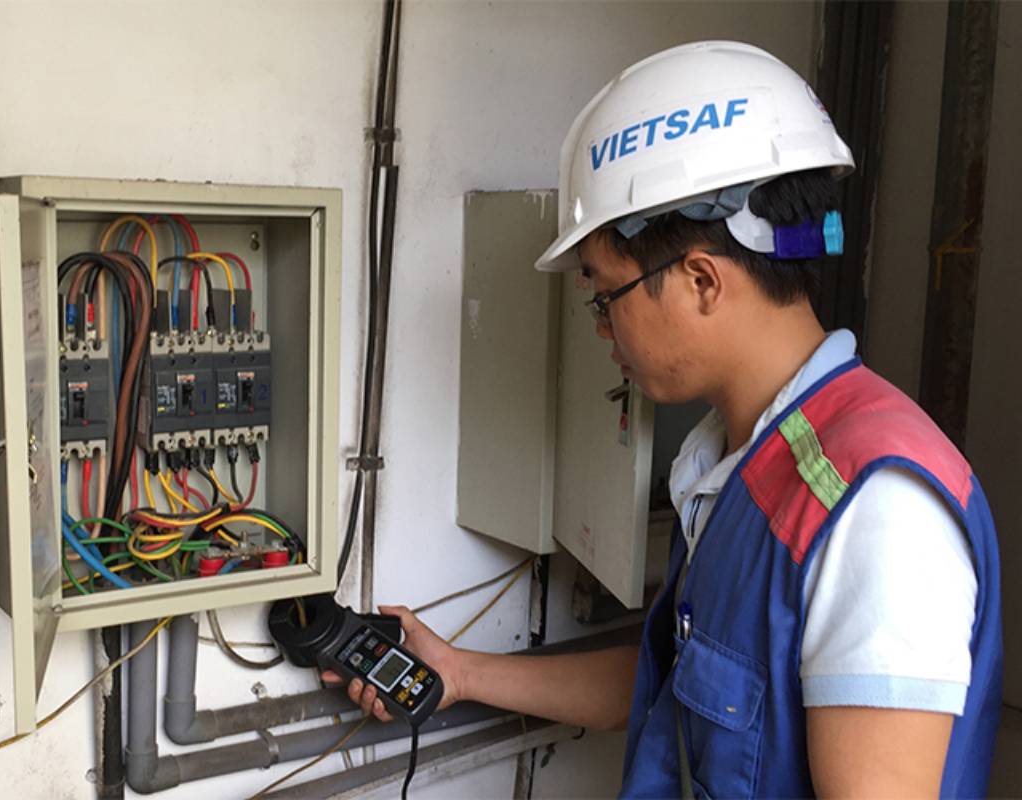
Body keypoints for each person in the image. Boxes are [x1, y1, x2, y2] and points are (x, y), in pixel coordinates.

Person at [330, 41, 1003, 797]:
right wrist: (459, 672)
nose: (602, 328)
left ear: (701, 281)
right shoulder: (739, 463)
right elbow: (679, 686)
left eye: (605, 295)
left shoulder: (873, 510)